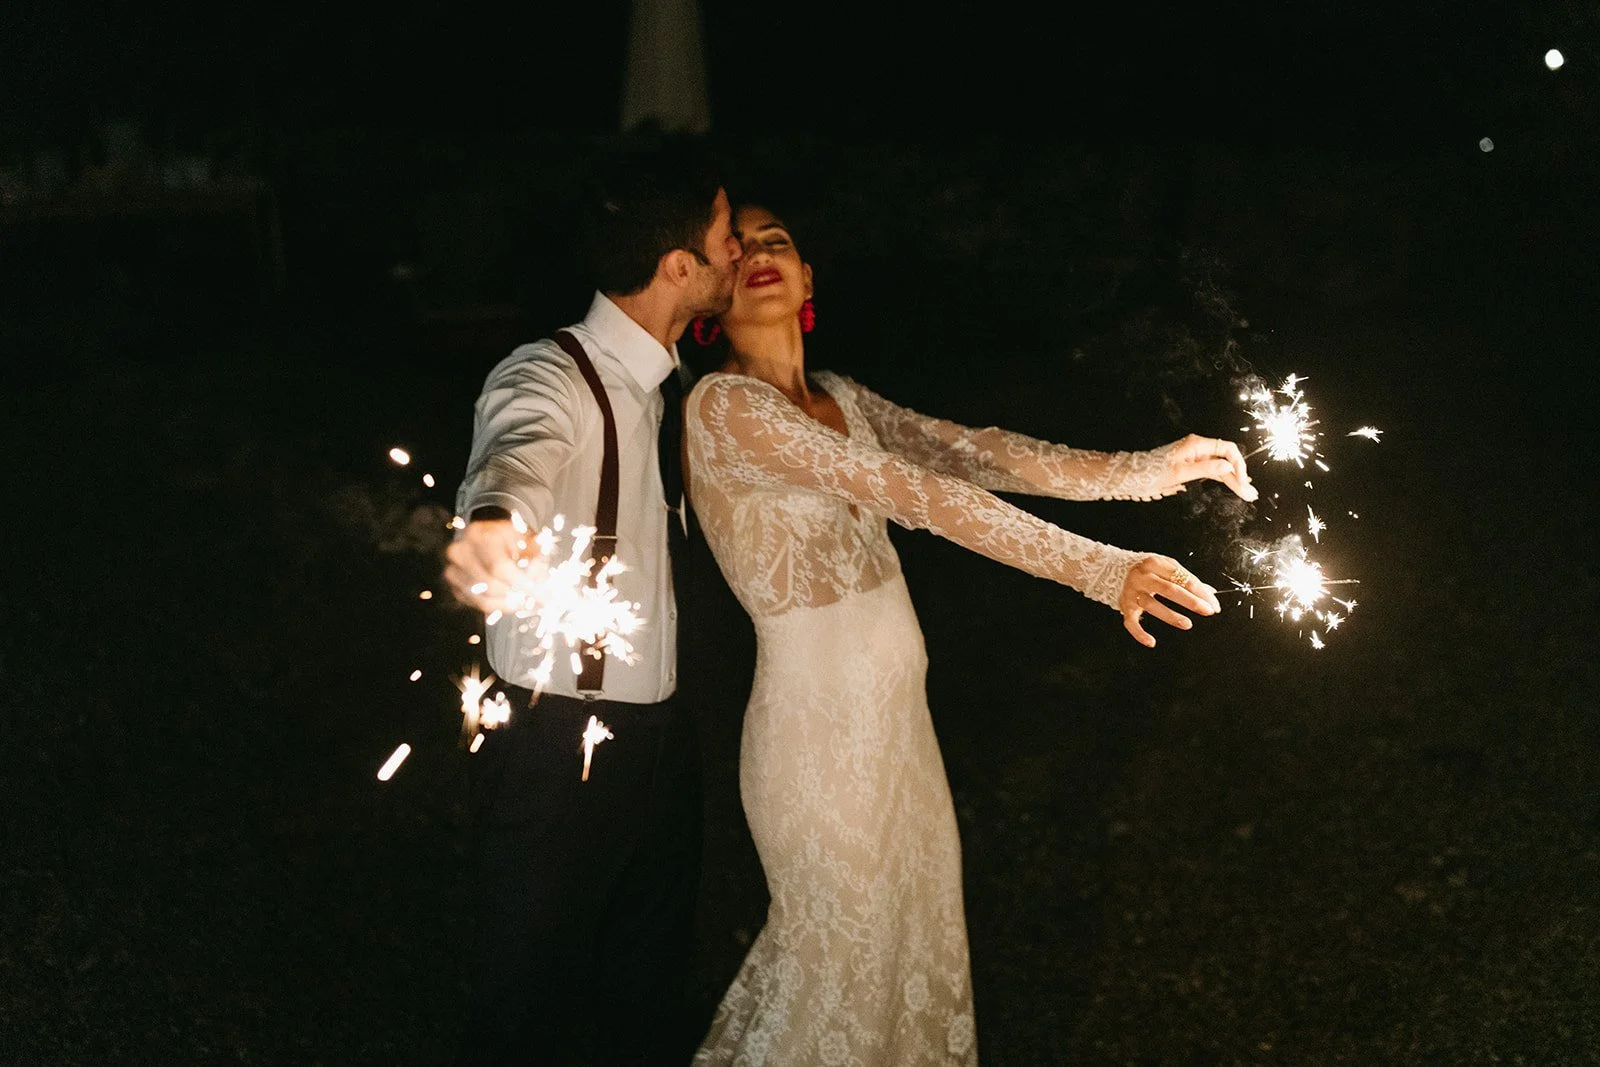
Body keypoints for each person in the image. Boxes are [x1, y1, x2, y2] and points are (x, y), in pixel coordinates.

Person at [685, 205, 1257, 1065]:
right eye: (745, 247)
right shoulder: (725, 408)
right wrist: (1099, 570)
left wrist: (1148, 470)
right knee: (831, 975)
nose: (764, 255)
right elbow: (916, 491)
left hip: (902, 738)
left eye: (782, 242)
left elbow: (983, 454)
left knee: (910, 958)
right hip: (813, 743)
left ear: (809, 281)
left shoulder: (841, 395)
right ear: (713, 294)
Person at [441, 148, 741, 1065]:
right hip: (556, 748)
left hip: (662, 743)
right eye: (726, 239)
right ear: (678, 266)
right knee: (523, 1000)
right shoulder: (550, 372)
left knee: (645, 999)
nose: (737, 255)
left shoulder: (673, 389)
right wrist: (496, 523)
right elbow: (516, 454)